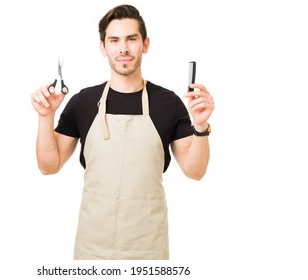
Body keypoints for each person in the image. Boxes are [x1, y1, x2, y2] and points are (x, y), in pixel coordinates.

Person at [30, 4, 215, 260]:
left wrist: (201, 126)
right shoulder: (83, 102)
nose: (123, 49)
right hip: (92, 249)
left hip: (147, 250)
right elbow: (48, 166)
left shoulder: (168, 103)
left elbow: (195, 172)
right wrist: (45, 116)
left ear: (145, 44)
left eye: (131, 39)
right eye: (114, 40)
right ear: (103, 47)